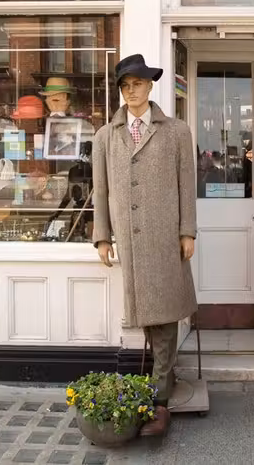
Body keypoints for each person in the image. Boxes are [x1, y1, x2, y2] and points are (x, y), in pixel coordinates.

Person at [92, 54, 198, 437]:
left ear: (151, 86)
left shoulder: (176, 132)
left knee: (166, 314)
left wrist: (188, 231)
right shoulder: (106, 136)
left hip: (165, 237)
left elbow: (187, 185)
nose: (131, 90)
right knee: (144, 317)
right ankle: (148, 387)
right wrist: (102, 236)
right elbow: (100, 191)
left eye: (137, 82)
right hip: (131, 240)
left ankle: (160, 399)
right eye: (125, 84)